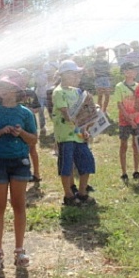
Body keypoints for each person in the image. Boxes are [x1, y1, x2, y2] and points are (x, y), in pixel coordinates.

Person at [0, 69, 37, 271]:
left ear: (16, 90)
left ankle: (19, 249)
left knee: (19, 205)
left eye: (8, 86)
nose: (3, 89)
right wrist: (0, 132)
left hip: (20, 161)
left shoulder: (25, 113)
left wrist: (20, 132)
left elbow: (34, 139)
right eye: (1, 86)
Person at [52, 60, 97, 206]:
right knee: (66, 166)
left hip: (78, 135)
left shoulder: (76, 91)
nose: (76, 76)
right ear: (63, 75)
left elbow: (81, 114)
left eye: (77, 73)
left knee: (87, 161)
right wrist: (79, 123)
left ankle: (82, 192)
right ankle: (69, 195)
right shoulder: (58, 92)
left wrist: (85, 129)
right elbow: (67, 114)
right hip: (65, 136)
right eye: (73, 73)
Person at [112, 62, 139, 182]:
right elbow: (119, 104)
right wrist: (129, 118)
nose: (130, 72)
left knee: (136, 146)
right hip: (124, 121)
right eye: (127, 70)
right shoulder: (119, 86)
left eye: (133, 70)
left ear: (136, 72)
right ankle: (124, 172)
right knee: (123, 145)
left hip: (137, 120)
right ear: (123, 72)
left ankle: (136, 170)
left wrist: (134, 116)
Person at [93, 47, 112, 114]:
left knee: (107, 95)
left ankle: (104, 110)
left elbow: (108, 70)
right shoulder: (95, 61)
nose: (103, 52)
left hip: (106, 79)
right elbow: (94, 71)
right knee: (100, 96)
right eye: (102, 51)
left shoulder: (106, 61)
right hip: (99, 79)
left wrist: (109, 76)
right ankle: (100, 111)